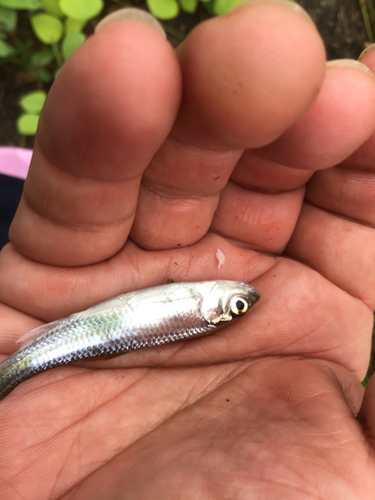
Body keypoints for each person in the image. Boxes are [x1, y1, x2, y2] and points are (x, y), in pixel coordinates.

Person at [1, 2, 375, 498]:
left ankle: (17, 363)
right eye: (236, 305)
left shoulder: (205, 310)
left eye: (237, 305)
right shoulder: (207, 309)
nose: (240, 297)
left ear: (218, 310)